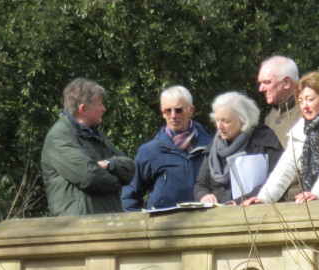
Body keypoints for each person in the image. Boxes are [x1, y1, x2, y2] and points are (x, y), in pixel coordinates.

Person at [244, 71, 319, 205]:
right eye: (300, 101)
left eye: (310, 99)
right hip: (311, 205)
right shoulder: (299, 130)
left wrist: (317, 193)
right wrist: (264, 198)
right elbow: (285, 167)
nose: (304, 106)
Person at [41, 78, 135, 216]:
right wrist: (118, 180)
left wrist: (110, 164)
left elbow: (131, 167)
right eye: (100, 104)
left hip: (107, 223)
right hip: (79, 230)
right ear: (83, 109)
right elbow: (90, 177)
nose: (104, 109)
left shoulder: (95, 135)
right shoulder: (59, 137)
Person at [122, 85, 213, 211]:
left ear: (191, 110)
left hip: (208, 224)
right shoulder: (149, 151)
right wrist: (137, 226)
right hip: (163, 227)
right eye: (168, 110)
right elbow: (130, 194)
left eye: (179, 110)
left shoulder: (212, 148)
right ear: (162, 112)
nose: (173, 115)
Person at [193, 92, 283, 204]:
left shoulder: (265, 139)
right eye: (217, 120)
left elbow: (277, 179)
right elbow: (200, 184)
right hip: (219, 215)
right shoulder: (214, 147)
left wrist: (243, 200)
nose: (219, 126)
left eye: (226, 121)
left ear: (243, 120)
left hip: (257, 211)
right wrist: (204, 196)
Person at [257, 56, 300, 149]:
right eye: (260, 83)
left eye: (266, 82)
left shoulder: (309, 112)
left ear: (287, 82)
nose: (261, 89)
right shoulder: (270, 118)